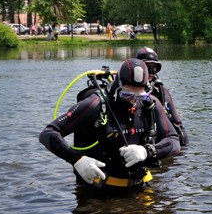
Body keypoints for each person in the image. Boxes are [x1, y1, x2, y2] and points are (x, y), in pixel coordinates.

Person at [39, 58, 181, 194]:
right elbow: (48, 133)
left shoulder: (151, 104)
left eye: (140, 96)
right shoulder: (96, 104)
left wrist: (148, 151)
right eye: (127, 95)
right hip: (99, 191)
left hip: (139, 187)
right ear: (117, 86)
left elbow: (174, 141)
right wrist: (76, 159)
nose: (133, 101)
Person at [136, 47, 188, 147]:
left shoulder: (162, 92)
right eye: (147, 68)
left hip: (157, 146)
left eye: (155, 68)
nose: (151, 72)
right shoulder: (126, 92)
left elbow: (178, 124)